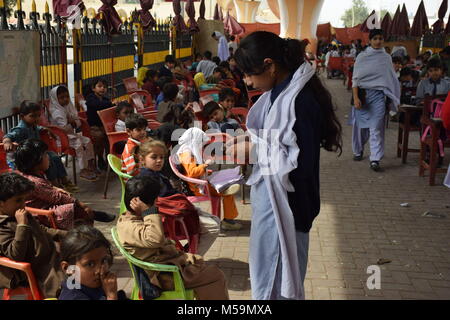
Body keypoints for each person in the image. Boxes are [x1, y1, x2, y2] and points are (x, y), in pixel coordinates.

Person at [230, 31, 343, 300]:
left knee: (278, 283)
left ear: (269, 65)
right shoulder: (279, 92)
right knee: (268, 275)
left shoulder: (300, 101)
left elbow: (298, 164)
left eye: (249, 73)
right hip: (272, 202)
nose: (247, 81)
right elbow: (276, 139)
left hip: (289, 206)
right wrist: (248, 142)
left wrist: (254, 150)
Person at [116, 175, 229, 300]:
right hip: (165, 277)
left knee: (208, 272)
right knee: (216, 276)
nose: (156, 205)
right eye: (154, 202)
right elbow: (156, 239)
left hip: (168, 269)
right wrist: (149, 212)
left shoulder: (132, 218)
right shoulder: (129, 227)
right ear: (142, 204)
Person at [136, 140, 220, 255]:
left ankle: (188, 253)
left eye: (161, 157)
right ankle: (191, 260)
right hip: (171, 218)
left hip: (177, 211)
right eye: (154, 157)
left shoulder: (155, 174)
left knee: (215, 220)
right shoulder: (147, 180)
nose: (159, 160)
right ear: (142, 159)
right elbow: (162, 203)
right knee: (213, 227)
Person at [14, 139, 115, 228]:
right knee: (76, 209)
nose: (48, 157)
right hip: (42, 214)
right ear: (35, 161)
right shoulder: (34, 182)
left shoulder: (27, 175)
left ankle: (92, 214)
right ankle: (88, 225)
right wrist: (82, 205)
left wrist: (56, 188)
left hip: (41, 205)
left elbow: (49, 190)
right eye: (45, 155)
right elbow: (58, 197)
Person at [0, 172, 67, 298]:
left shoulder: (19, 213)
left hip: (49, 256)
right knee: (69, 280)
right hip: (34, 270)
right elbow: (16, 254)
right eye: (18, 200)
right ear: (1, 203)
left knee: (80, 261)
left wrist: (68, 234)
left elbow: (41, 230)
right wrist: (22, 226)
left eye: (24, 200)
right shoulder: (3, 226)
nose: (23, 205)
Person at [351, 29, 400, 172]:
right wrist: (355, 98)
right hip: (362, 96)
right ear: (370, 41)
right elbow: (355, 79)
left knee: (376, 128)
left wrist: (391, 97)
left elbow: (390, 78)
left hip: (379, 96)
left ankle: (375, 159)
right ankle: (358, 150)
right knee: (360, 127)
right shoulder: (361, 57)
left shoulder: (386, 58)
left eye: (380, 38)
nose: (378, 41)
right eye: (375, 38)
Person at [177, 128, 242, 231]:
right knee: (227, 191)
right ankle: (228, 221)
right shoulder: (187, 154)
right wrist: (205, 165)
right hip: (197, 189)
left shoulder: (186, 151)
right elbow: (192, 173)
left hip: (199, 184)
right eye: (201, 143)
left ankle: (228, 215)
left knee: (227, 187)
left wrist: (207, 171)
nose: (201, 146)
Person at [2, 100, 75, 191]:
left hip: (34, 154)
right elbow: (8, 136)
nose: (36, 118)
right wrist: (7, 142)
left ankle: (64, 180)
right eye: (32, 116)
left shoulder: (32, 125)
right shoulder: (20, 129)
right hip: (23, 158)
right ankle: (55, 185)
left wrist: (47, 129)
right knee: (49, 160)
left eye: (38, 116)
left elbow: (39, 128)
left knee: (54, 156)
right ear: (22, 116)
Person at [59, 225, 126, 300]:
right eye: (90, 264)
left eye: (103, 260)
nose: (99, 271)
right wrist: (111, 296)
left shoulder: (95, 286)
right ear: (68, 268)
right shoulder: (73, 297)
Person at [48, 85, 98, 181]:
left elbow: (77, 122)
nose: (65, 99)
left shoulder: (68, 107)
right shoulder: (56, 112)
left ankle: (90, 164)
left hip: (70, 135)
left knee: (87, 141)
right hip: (60, 138)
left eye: (67, 96)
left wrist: (73, 123)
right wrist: (73, 123)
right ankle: (83, 169)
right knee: (78, 144)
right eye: (62, 98)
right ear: (55, 99)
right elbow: (64, 129)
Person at [85, 78, 113, 171]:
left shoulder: (105, 99)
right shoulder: (91, 98)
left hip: (103, 125)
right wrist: (110, 104)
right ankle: (98, 159)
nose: (102, 89)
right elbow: (98, 105)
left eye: (104, 87)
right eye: (100, 86)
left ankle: (109, 160)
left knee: (109, 138)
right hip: (94, 126)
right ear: (93, 88)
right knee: (99, 137)